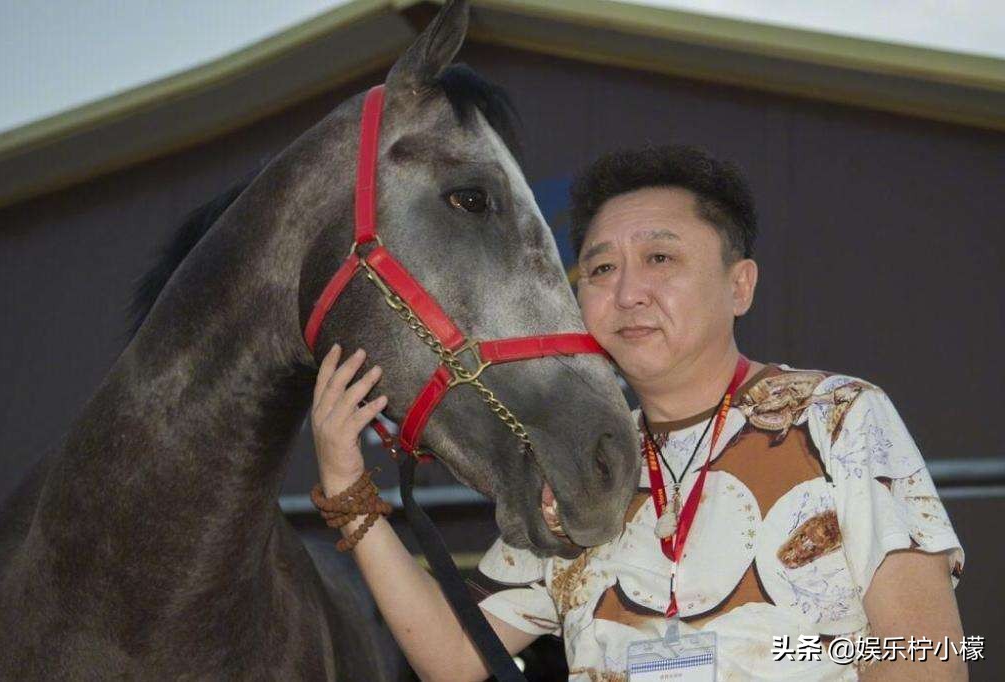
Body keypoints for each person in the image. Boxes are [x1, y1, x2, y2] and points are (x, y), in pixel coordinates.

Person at [310, 145, 966, 681]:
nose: (628, 293)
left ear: (740, 286)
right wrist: (347, 488)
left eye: (661, 258)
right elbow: (454, 656)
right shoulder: (579, 467)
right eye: (600, 269)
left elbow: (927, 657)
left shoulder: (839, 418)